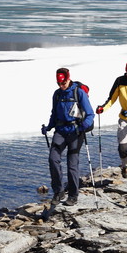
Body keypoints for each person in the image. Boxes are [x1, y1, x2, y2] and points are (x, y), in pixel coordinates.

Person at [42, 67, 95, 206]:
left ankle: (73, 195)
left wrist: (84, 126)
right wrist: (48, 127)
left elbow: (90, 114)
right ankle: (58, 191)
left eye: (63, 83)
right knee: (53, 159)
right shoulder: (57, 94)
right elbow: (54, 113)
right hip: (60, 130)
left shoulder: (79, 93)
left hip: (76, 131)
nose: (61, 86)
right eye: (59, 83)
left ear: (68, 78)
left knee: (72, 164)